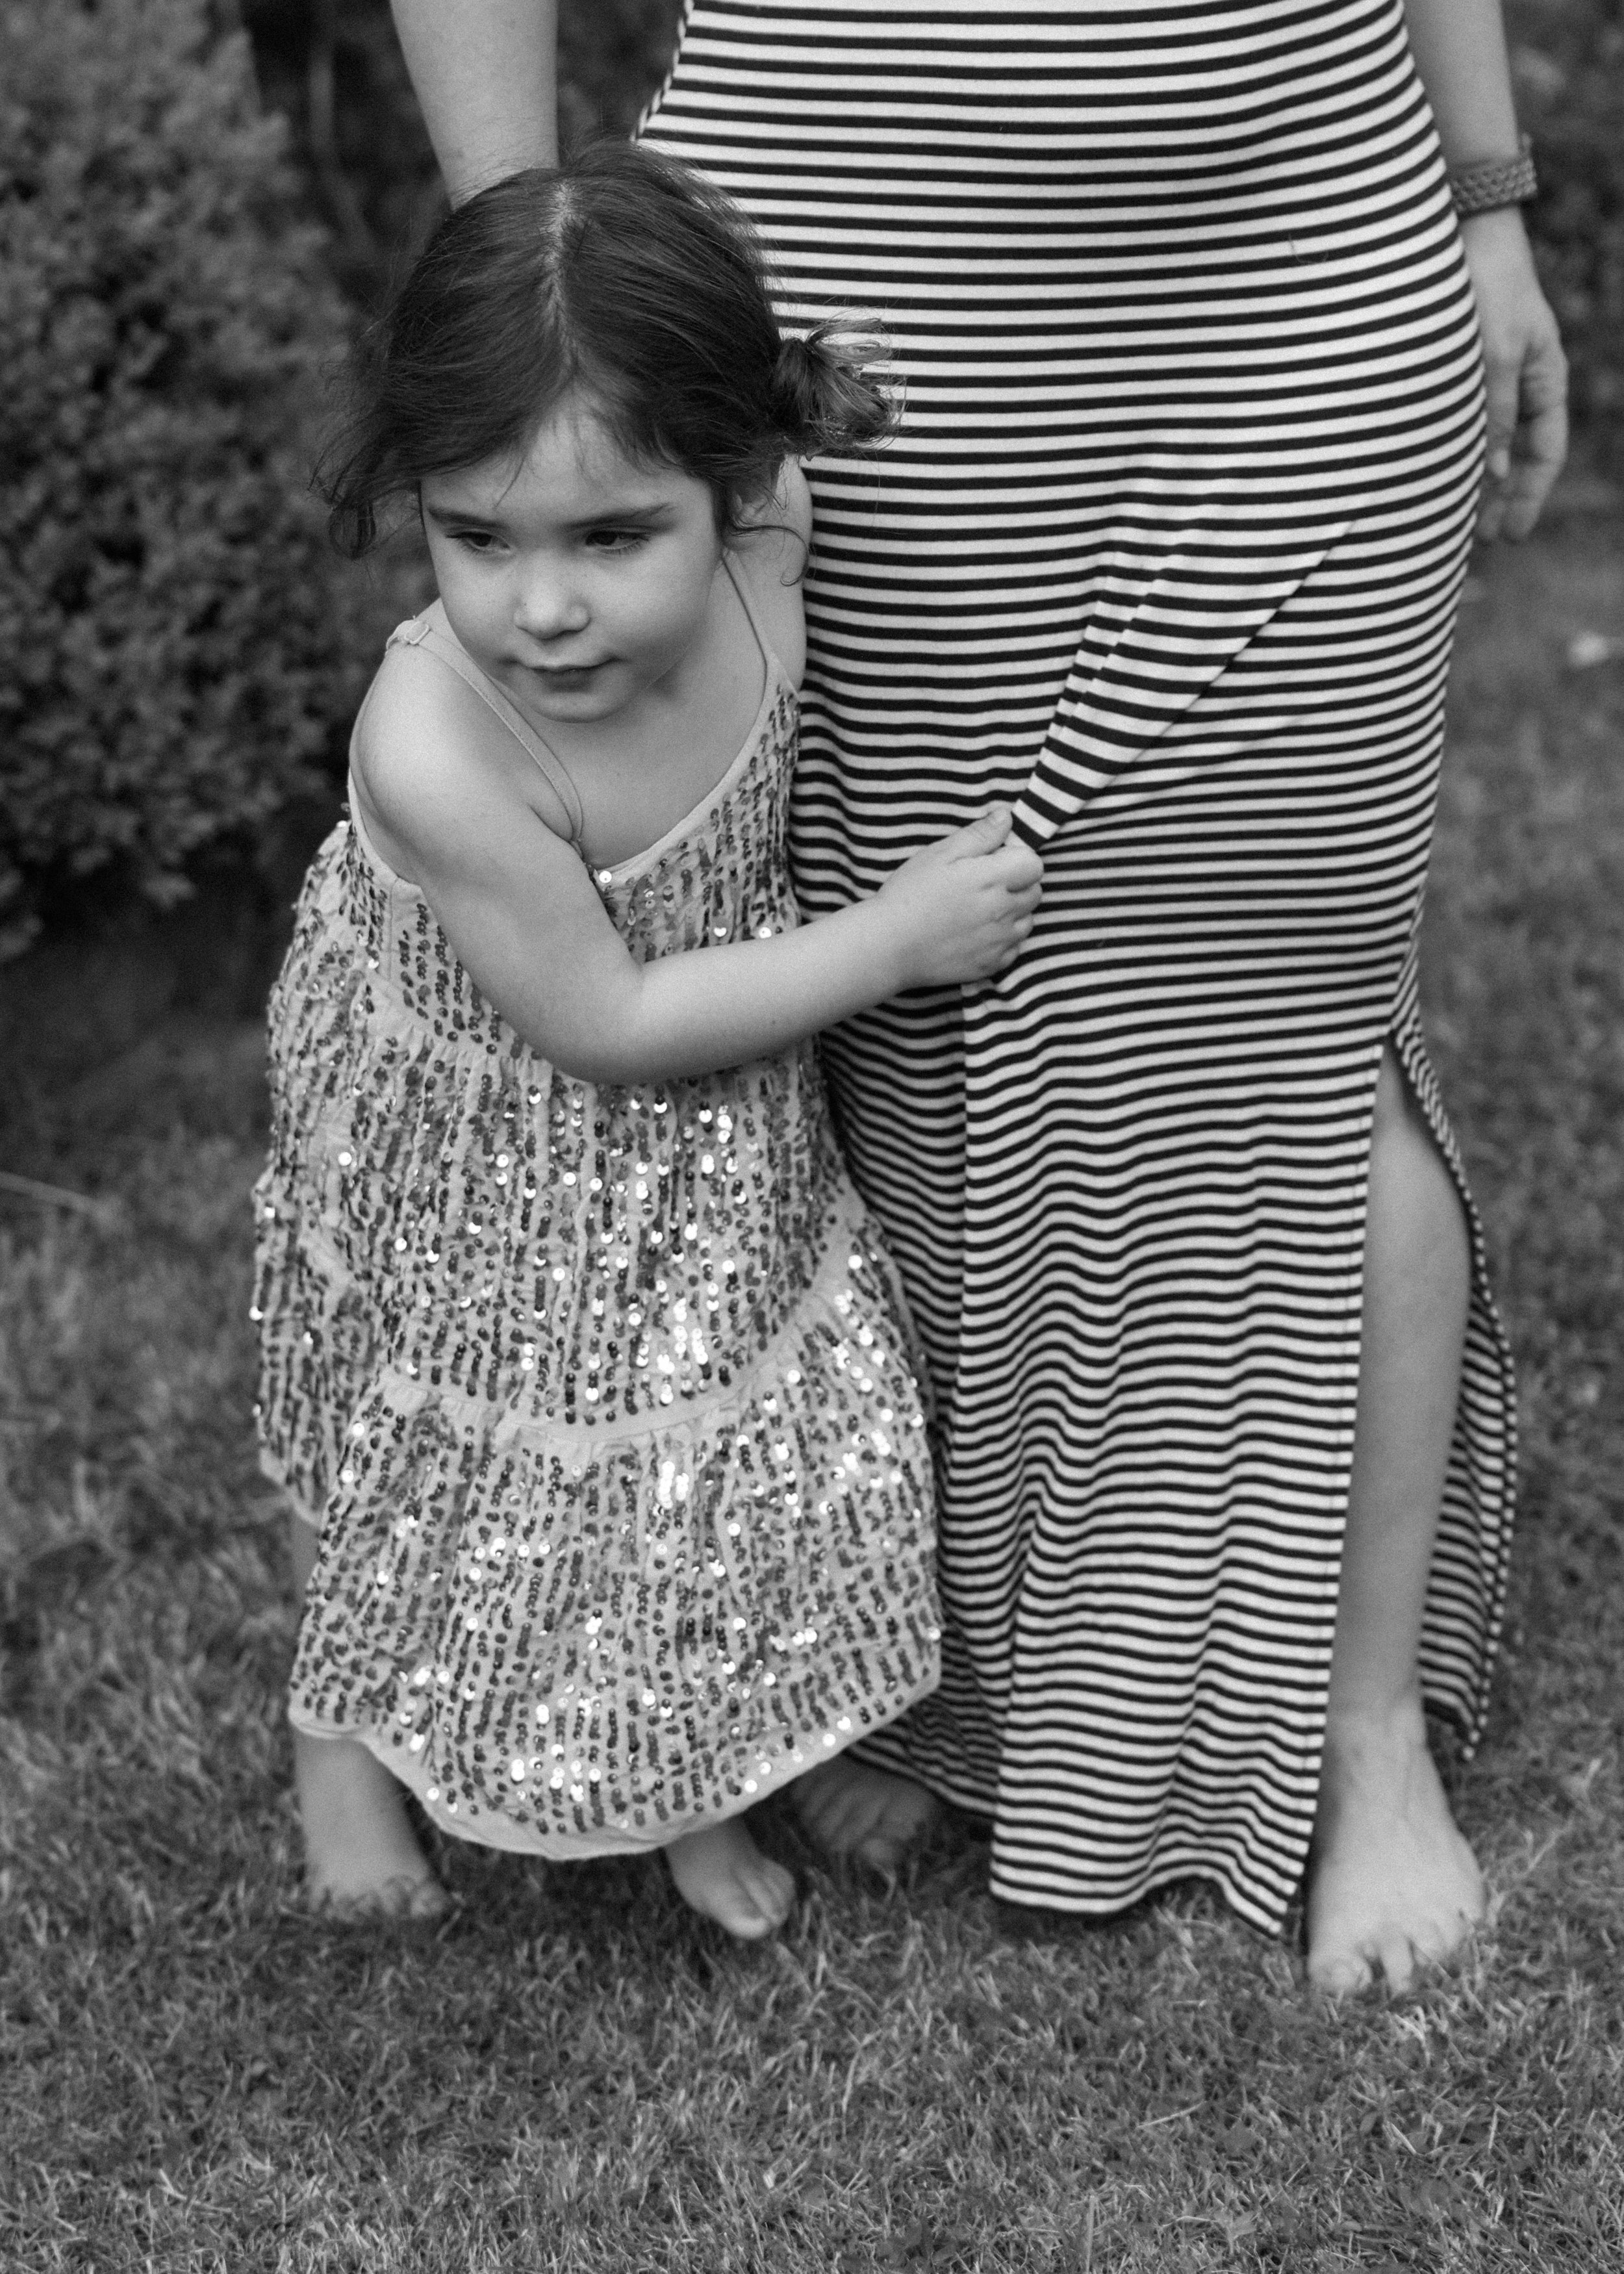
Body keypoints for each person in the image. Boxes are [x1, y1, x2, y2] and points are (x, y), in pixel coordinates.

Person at [387, 0, 1568, 1993]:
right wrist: (553, 338)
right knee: (916, 1016)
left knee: (1295, 1019)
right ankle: (963, 1679)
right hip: (849, 307)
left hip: (1298, 258)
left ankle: (1358, 1735)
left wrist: (1485, 200)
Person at [251, 142, 1043, 1938]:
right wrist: (897, 939)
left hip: (696, 1111)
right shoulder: (440, 750)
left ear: (735, 480)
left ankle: (680, 1773)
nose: (542, 606)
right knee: (450, 1440)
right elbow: (606, 1017)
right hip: (480, 1121)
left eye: (611, 536)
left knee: (677, 1442)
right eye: (477, 536)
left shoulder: (774, 536)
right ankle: (342, 1746)